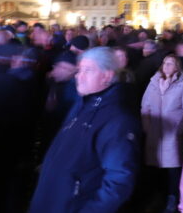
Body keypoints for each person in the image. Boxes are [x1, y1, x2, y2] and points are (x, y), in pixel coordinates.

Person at [30, 47, 140, 213]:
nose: (78, 76)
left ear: (107, 76)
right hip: (54, 201)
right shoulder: (83, 105)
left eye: (87, 70)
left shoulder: (117, 120)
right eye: (79, 70)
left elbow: (119, 180)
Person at [141, 54, 183, 212]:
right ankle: (155, 197)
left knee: (173, 169)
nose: (166, 66)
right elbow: (145, 106)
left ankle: (172, 198)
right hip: (154, 132)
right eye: (164, 63)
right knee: (153, 167)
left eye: (170, 63)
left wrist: (180, 128)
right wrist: (147, 127)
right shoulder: (153, 83)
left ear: (177, 67)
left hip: (172, 133)